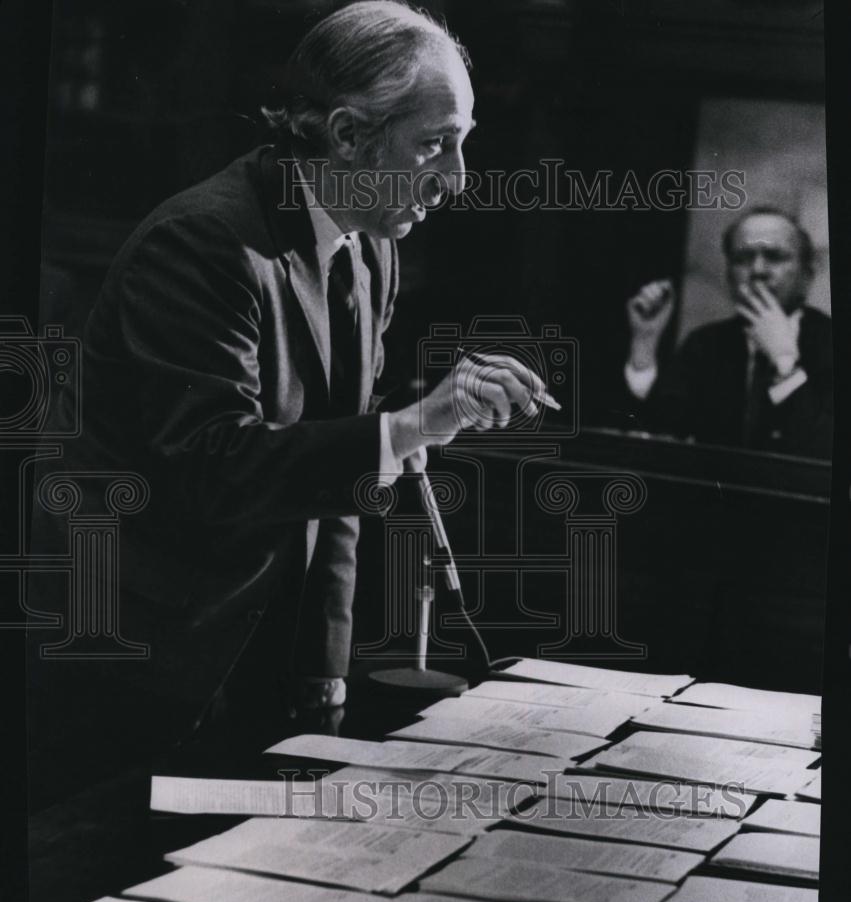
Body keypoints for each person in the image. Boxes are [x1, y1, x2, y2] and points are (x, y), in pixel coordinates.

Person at [26, 0, 548, 802]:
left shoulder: (370, 248)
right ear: (346, 135)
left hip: (268, 672)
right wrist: (412, 424)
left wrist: (323, 677)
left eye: (463, 142)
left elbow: (332, 484)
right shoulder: (201, 243)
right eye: (435, 144)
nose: (457, 179)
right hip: (148, 677)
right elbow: (217, 468)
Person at [622, 207, 832, 457]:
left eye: (775, 257)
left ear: (807, 275)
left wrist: (785, 364)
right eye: (742, 258)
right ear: (729, 275)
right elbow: (659, 431)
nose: (757, 270)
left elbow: (829, 455)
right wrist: (644, 343)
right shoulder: (705, 344)